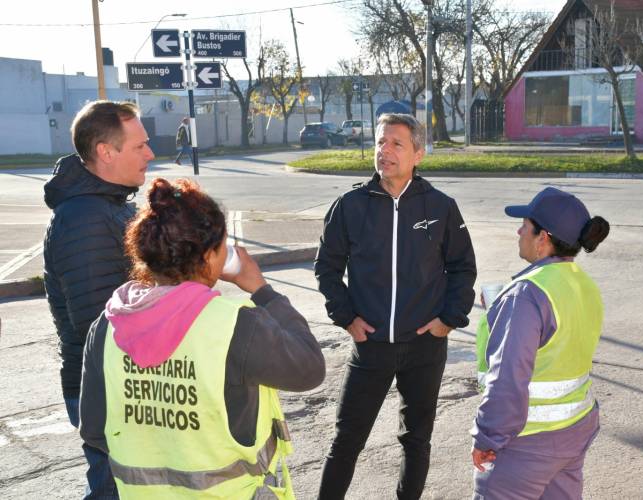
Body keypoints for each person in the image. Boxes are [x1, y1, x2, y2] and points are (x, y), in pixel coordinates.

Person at [79, 177, 326, 498]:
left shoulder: (107, 325)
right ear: (210, 257)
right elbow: (309, 368)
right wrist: (262, 290)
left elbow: (95, 431)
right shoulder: (235, 325)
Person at [315, 113, 477, 499]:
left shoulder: (440, 207)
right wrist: (346, 318)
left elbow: (462, 268)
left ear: (418, 154)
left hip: (425, 347)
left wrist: (448, 320)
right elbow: (327, 268)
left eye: (396, 144)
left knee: (416, 441)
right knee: (346, 441)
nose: (384, 151)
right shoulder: (350, 206)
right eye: (380, 142)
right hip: (370, 346)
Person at [43, 100, 154, 498]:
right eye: (140, 145)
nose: (150, 153)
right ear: (106, 152)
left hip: (122, 385)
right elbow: (100, 325)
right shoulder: (85, 218)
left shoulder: (110, 205)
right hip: (109, 391)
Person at [471, 187, 610, 500]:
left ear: (543, 238)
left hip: (525, 446)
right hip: (573, 431)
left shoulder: (526, 294)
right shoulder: (582, 284)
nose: (519, 231)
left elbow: (507, 380)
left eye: (525, 225)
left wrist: (487, 438)